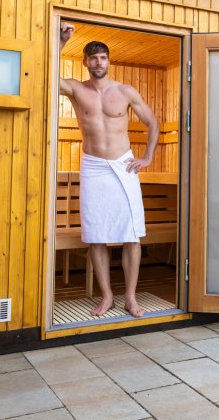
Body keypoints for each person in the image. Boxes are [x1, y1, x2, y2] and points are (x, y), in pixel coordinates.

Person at [58, 22, 159, 318]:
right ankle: (106, 297)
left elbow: (152, 122)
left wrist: (148, 157)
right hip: (93, 167)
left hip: (123, 165)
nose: (98, 62)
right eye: (93, 58)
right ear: (85, 62)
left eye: (102, 57)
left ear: (109, 61)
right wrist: (60, 40)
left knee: (131, 235)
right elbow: (47, 73)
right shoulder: (76, 89)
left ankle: (130, 298)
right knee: (96, 234)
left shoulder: (125, 92)